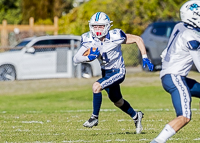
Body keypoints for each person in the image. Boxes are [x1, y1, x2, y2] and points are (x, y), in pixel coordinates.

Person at [73, 12, 154, 134]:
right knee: (118, 101)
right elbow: (76, 58)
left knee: (96, 86)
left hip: (118, 71)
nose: (97, 29)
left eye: (100, 26)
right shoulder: (88, 38)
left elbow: (138, 38)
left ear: (106, 26)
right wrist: (88, 57)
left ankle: (94, 118)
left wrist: (144, 57)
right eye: (95, 26)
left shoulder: (115, 35)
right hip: (106, 72)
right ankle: (136, 116)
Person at [150, 0, 200, 142]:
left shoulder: (180, 26)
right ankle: (157, 141)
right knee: (184, 116)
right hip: (175, 77)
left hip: (169, 75)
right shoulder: (192, 37)